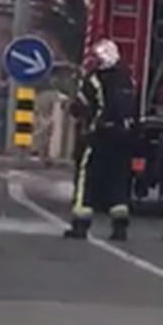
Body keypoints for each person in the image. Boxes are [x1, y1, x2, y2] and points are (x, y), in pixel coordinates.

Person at [64, 39, 137, 242]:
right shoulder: (128, 80)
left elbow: (79, 107)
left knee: (87, 180)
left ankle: (80, 225)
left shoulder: (94, 80)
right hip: (123, 138)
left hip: (98, 137)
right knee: (119, 181)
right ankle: (120, 227)